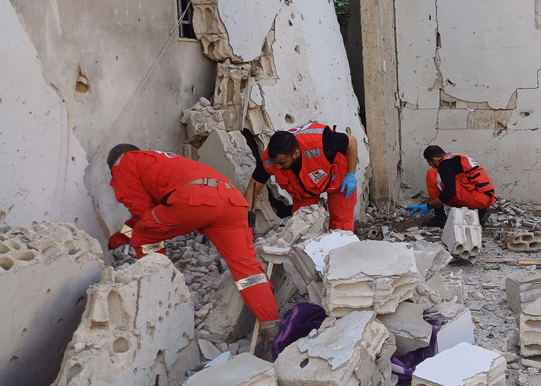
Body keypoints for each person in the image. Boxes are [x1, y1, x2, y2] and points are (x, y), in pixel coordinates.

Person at [106, 144, 279, 347]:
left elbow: (141, 213)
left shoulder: (122, 163)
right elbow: (147, 215)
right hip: (231, 199)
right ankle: (272, 328)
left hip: (194, 199)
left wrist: (117, 240)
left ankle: (160, 289)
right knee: (246, 268)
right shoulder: (158, 159)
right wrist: (123, 234)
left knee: (145, 237)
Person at [244, 122, 358, 231]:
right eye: (275, 163)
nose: (277, 167)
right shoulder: (270, 160)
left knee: (341, 221)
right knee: (301, 224)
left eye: (282, 163)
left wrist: (351, 175)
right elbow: (252, 190)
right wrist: (246, 222)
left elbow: (352, 142)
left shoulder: (324, 142)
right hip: (304, 188)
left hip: (337, 174)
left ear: (296, 154)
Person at [406, 145, 495, 226]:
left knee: (432, 174)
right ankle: (478, 214)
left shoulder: (444, 164)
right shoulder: (455, 158)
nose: (433, 167)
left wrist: (428, 206)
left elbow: (450, 192)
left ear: (435, 160)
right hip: (485, 198)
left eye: (432, 165)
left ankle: (439, 218)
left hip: (478, 199)